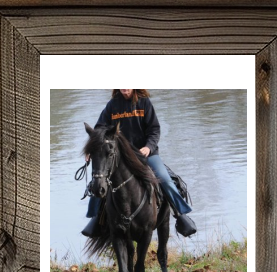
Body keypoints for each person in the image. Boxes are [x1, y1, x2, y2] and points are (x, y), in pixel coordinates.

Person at [82, 89, 196, 237]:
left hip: (146, 154)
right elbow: (99, 131)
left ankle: (180, 214)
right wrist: (91, 149)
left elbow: (154, 129)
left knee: (164, 178)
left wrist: (148, 147)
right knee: (98, 180)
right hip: (122, 156)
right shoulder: (112, 105)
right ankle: (96, 219)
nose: (125, 87)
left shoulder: (144, 103)